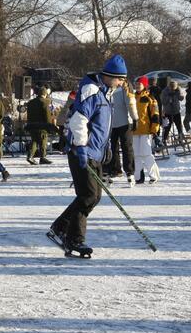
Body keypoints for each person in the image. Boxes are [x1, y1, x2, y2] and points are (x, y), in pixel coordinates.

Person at [49, 54, 127, 257]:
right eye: (120, 79)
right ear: (111, 76)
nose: (121, 83)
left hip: (95, 152)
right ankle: (73, 239)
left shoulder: (105, 93)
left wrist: (106, 149)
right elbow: (78, 120)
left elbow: (101, 126)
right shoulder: (92, 91)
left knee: (94, 196)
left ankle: (60, 228)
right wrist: (82, 147)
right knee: (88, 195)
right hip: (81, 151)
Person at [107, 79, 138, 184]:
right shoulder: (124, 85)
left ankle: (117, 169)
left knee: (114, 146)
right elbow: (131, 103)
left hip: (114, 122)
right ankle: (128, 171)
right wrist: (135, 118)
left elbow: (130, 103)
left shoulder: (109, 84)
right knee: (125, 147)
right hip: (120, 122)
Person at [132, 76, 160, 184]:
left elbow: (155, 115)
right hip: (134, 131)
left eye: (140, 84)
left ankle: (154, 176)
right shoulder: (132, 97)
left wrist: (154, 129)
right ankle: (138, 177)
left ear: (144, 85)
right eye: (136, 84)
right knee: (136, 155)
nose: (137, 86)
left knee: (146, 153)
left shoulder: (150, 98)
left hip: (146, 130)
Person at [25, 85, 54, 166]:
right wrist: (49, 126)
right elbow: (47, 115)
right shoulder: (44, 102)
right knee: (43, 141)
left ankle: (30, 156)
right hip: (41, 126)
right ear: (45, 94)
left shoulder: (31, 102)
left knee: (34, 141)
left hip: (32, 125)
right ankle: (43, 157)